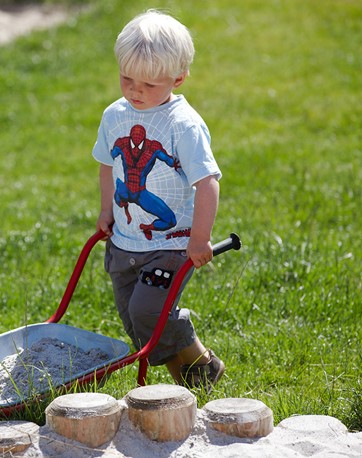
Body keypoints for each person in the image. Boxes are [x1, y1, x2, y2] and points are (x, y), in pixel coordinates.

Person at [92, 9, 224, 391]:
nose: (134, 90)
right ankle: (190, 379)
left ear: (177, 78)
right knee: (135, 319)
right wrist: (106, 209)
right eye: (126, 78)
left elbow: (207, 182)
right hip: (124, 242)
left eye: (148, 84)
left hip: (171, 243)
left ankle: (194, 364)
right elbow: (106, 165)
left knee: (148, 310)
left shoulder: (182, 124)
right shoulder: (114, 116)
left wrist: (198, 239)